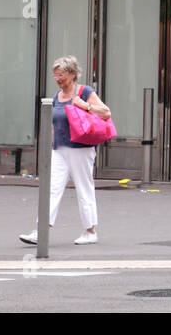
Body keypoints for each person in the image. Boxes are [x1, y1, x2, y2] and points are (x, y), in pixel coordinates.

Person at [19, 55, 111, 245]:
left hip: (81, 149)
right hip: (59, 149)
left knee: (83, 188)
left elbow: (106, 113)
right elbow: (55, 124)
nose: (58, 79)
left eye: (61, 75)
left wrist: (84, 105)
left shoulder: (85, 91)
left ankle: (90, 231)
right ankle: (41, 230)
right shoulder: (57, 96)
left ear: (71, 74)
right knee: (51, 189)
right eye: (55, 75)